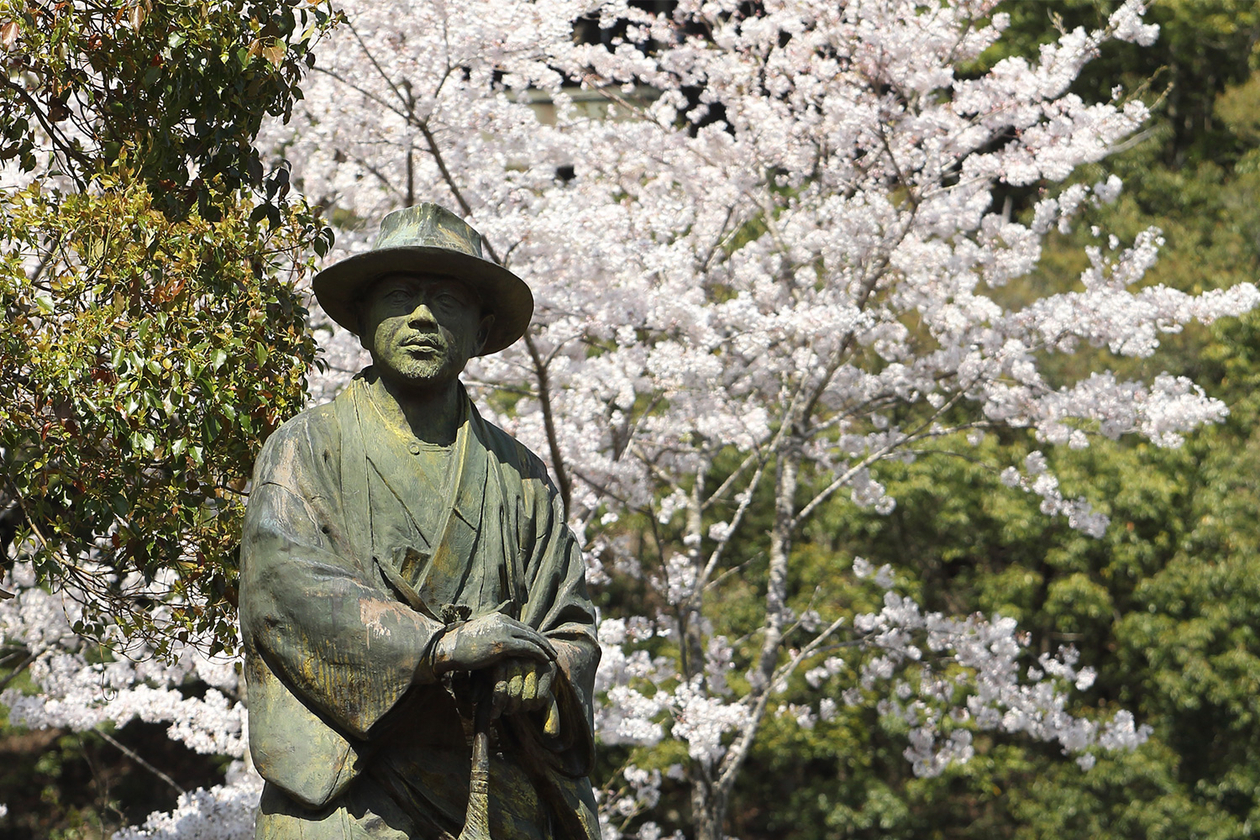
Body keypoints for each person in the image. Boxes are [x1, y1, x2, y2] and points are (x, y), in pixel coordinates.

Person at [239, 203, 601, 840]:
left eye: (448, 301)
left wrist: (538, 670)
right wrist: (437, 649)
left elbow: (569, 623)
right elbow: (282, 584)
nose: (424, 316)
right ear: (361, 320)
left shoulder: (520, 477)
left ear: (481, 329)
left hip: (487, 778)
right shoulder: (307, 447)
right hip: (348, 782)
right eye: (401, 295)